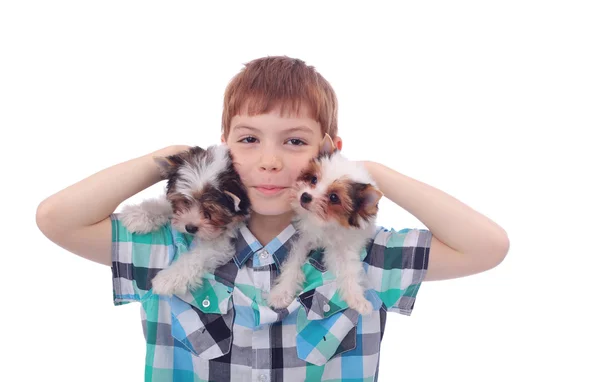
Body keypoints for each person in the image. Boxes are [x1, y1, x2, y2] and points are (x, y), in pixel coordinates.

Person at [36, 55, 510, 381]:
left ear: (327, 148)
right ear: (223, 143)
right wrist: (169, 158)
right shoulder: (174, 243)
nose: (269, 161)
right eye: (248, 140)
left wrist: (373, 174)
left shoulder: (362, 254)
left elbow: (487, 247)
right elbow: (57, 219)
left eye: (295, 141)